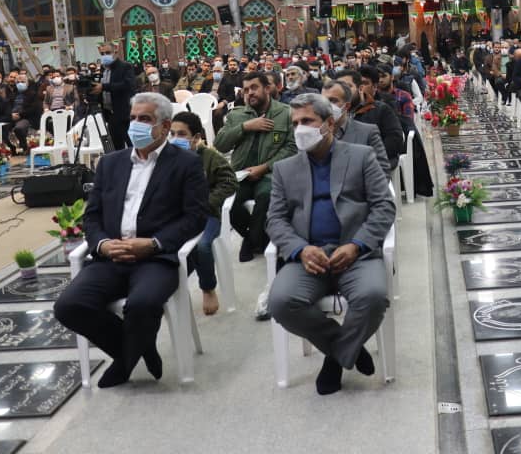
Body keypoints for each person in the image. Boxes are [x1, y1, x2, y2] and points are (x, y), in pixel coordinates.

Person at [53, 93, 208, 388]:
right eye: (134, 118)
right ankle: (139, 348)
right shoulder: (110, 163)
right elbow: (92, 216)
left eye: (145, 119)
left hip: (155, 258)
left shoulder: (186, 164)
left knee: (142, 304)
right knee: (69, 306)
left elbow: (195, 218)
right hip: (111, 256)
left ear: (164, 126)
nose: (136, 124)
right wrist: (102, 245)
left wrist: (153, 243)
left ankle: (125, 362)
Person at [266, 93, 395, 395]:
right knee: (281, 303)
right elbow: (275, 219)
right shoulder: (285, 168)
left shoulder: (361, 156)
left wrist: (357, 245)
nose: (300, 129)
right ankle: (345, 347)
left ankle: (335, 359)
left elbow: (384, 206)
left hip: (355, 253)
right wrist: (300, 249)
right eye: (295, 123)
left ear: (329, 124)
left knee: (373, 297)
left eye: (307, 121)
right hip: (308, 257)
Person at [213, 72, 297, 262]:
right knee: (226, 200)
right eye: (245, 90)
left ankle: (250, 242)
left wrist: (265, 167)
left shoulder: (286, 113)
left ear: (267, 89)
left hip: (270, 173)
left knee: (265, 196)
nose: (249, 93)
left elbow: (292, 148)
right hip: (241, 173)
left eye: (254, 88)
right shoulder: (237, 115)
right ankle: (257, 238)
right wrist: (245, 127)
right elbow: (220, 144)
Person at [169, 111, 238, 316]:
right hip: (178, 216)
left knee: (202, 246)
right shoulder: (168, 159)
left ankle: (207, 288)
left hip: (207, 215)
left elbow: (229, 182)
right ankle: (170, 291)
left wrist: (207, 203)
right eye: (172, 134)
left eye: (182, 134)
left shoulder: (209, 157)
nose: (175, 139)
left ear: (196, 137)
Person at [336, 69, 403, 170]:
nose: (344, 92)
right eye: (340, 88)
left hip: (374, 162)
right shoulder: (333, 113)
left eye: (348, 87)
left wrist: (366, 156)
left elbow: (395, 140)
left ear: (360, 88)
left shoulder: (380, 109)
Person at [321, 80, 389, 176]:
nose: (327, 105)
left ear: (347, 106)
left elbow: (382, 171)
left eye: (333, 101)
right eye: (323, 101)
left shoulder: (367, 132)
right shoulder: (315, 133)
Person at [93, 43, 136, 149]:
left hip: (124, 112)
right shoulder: (104, 69)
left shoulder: (125, 66)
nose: (105, 56)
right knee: (116, 146)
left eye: (108, 53)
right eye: (102, 54)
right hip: (110, 113)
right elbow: (101, 88)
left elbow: (128, 85)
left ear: (115, 52)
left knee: (131, 144)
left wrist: (104, 87)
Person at [4, 71, 42, 155]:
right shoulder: (13, 94)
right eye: (18, 82)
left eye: (22, 82)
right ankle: (12, 149)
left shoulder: (33, 94)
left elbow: (34, 109)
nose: (20, 84)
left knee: (19, 128)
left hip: (26, 118)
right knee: (2, 128)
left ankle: (24, 147)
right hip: (12, 117)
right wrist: (11, 115)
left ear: (27, 83)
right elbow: (7, 107)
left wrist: (20, 115)